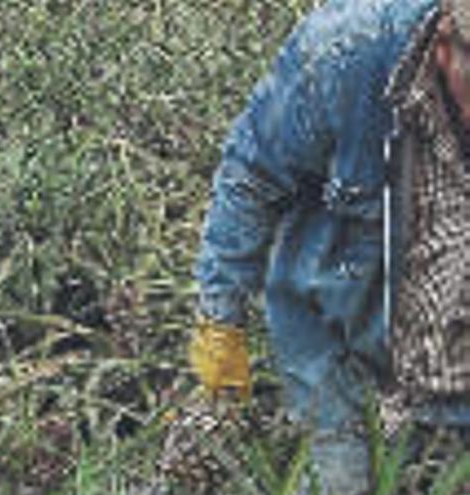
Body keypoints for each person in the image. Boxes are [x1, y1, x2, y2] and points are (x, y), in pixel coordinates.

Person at [192, 0, 470, 493]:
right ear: (447, 44)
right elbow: (250, 178)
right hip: (336, 347)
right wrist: (221, 318)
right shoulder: (345, 52)